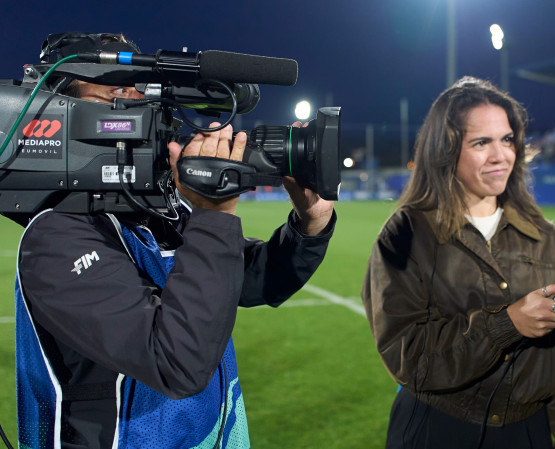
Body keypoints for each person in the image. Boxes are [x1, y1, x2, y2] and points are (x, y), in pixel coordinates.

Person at [13, 32, 336, 448]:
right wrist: (213, 215)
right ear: (62, 114)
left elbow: (255, 280)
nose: (136, 100)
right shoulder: (57, 235)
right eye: (115, 92)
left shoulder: (158, 211)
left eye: (138, 87)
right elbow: (176, 363)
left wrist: (309, 224)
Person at [362, 76, 555, 449]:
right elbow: (407, 354)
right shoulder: (406, 232)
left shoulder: (547, 237)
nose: (501, 155)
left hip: (526, 433)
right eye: (481, 143)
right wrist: (506, 325)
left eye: (507, 140)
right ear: (446, 150)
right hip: (436, 430)